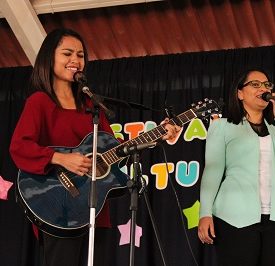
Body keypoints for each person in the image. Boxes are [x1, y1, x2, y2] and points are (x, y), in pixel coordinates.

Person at [9, 28, 180, 266]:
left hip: (95, 211)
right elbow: (19, 146)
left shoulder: (90, 105)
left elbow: (117, 150)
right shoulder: (40, 102)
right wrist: (61, 158)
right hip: (58, 207)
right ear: (50, 58)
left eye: (80, 55)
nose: (75, 60)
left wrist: (160, 134)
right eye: (67, 53)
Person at [198, 69, 275, 266]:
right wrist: (205, 213)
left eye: (266, 85)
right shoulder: (222, 127)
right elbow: (212, 172)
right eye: (255, 84)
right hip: (234, 219)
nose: (263, 88)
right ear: (240, 93)